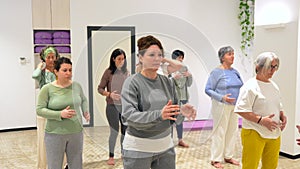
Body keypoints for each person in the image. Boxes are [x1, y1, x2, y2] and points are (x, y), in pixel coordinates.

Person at [121, 35, 196, 169]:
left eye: (159, 55)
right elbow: (129, 117)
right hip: (138, 149)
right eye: (151, 55)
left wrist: (181, 111)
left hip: (165, 148)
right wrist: (159, 115)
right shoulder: (132, 82)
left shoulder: (167, 82)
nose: (157, 59)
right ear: (140, 57)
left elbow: (171, 115)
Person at [234, 52, 287, 169]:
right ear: (258, 67)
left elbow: (277, 104)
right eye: (269, 67)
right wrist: (261, 120)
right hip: (254, 132)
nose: (272, 71)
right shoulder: (250, 86)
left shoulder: (274, 85)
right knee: (250, 166)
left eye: (275, 67)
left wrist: (282, 116)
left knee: (271, 166)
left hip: (273, 133)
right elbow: (241, 110)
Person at [36, 57, 90, 169]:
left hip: (76, 132)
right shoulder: (47, 89)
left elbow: (83, 99)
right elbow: (40, 110)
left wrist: (85, 111)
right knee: (54, 165)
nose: (68, 73)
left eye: (70, 70)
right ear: (56, 71)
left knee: (76, 165)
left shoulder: (76, 86)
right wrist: (59, 114)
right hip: (55, 134)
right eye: (64, 70)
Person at [205, 46, 243, 168]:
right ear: (222, 57)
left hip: (235, 106)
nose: (232, 56)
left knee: (232, 131)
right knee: (220, 131)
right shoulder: (216, 72)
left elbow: (241, 85)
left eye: (233, 53)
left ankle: (228, 156)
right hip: (221, 105)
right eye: (229, 54)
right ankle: (215, 159)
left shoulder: (234, 71)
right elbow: (208, 89)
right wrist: (222, 97)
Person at [32, 46, 62, 169]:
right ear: (44, 58)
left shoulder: (59, 72)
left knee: (59, 138)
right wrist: (40, 66)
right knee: (44, 138)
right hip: (44, 109)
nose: (50, 60)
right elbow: (34, 75)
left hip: (58, 108)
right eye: (48, 57)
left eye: (52, 57)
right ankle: (44, 164)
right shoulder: (42, 74)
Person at [97, 48, 129, 165]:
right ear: (113, 59)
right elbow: (100, 88)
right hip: (112, 106)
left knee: (125, 131)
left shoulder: (126, 72)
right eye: (119, 59)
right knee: (114, 131)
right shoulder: (108, 72)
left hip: (124, 106)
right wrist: (110, 94)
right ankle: (111, 156)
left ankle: (124, 153)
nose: (121, 61)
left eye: (123, 59)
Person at [170, 49, 193, 148]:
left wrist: (190, 76)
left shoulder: (185, 68)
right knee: (171, 119)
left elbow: (189, 84)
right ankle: (169, 141)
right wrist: (172, 78)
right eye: (179, 57)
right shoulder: (169, 69)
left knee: (180, 120)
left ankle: (180, 139)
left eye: (182, 58)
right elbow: (166, 84)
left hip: (183, 97)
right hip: (173, 98)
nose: (181, 59)